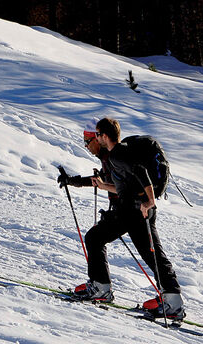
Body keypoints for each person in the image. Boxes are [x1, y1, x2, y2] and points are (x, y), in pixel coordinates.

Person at [60, 117, 185, 321]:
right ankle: (104, 288)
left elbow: (140, 172)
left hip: (134, 211)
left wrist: (149, 202)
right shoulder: (111, 157)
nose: (86, 146)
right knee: (106, 241)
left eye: (88, 140)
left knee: (148, 252)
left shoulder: (116, 154)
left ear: (100, 137)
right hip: (129, 210)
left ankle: (170, 301)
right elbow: (107, 183)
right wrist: (72, 181)